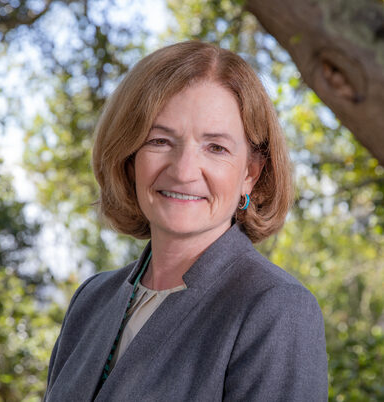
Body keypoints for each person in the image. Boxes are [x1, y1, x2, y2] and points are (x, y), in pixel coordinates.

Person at [44, 41, 328, 401]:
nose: (183, 171)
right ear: (129, 157)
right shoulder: (91, 300)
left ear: (251, 173)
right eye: (160, 141)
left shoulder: (276, 309)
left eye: (216, 147)